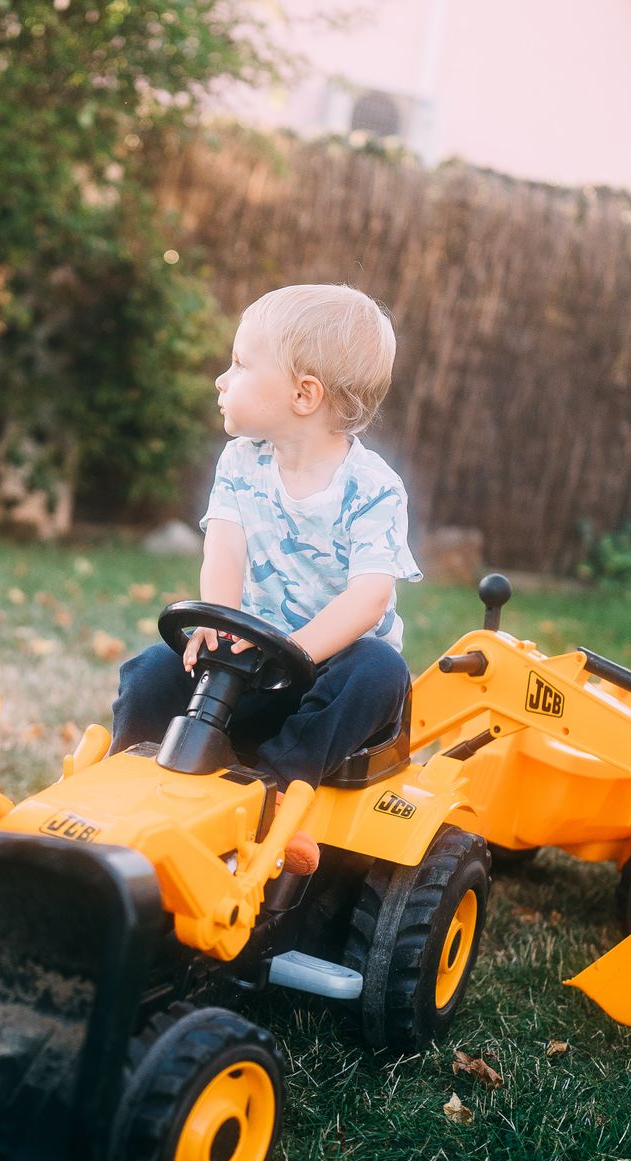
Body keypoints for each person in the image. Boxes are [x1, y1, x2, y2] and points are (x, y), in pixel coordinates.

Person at [110, 284, 421, 871]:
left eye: (240, 364)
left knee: (381, 669)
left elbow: (369, 597)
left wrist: (294, 652)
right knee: (152, 668)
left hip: (330, 680)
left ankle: (276, 795)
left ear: (304, 394)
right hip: (250, 661)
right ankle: (126, 779)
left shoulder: (374, 489)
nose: (221, 380)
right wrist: (221, 623)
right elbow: (224, 547)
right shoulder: (241, 461)